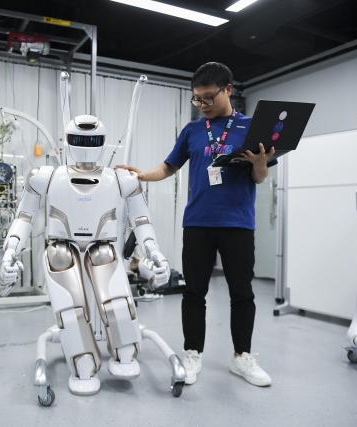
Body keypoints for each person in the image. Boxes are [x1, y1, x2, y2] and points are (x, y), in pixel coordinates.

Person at [117, 62, 274, 387]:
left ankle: (242, 357)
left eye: (207, 98)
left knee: (242, 293)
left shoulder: (250, 127)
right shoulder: (192, 131)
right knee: (194, 292)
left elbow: (259, 177)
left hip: (238, 224)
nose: (201, 105)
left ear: (227, 90)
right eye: (196, 99)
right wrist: (142, 174)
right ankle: (192, 354)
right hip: (198, 223)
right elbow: (169, 166)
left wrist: (260, 164)